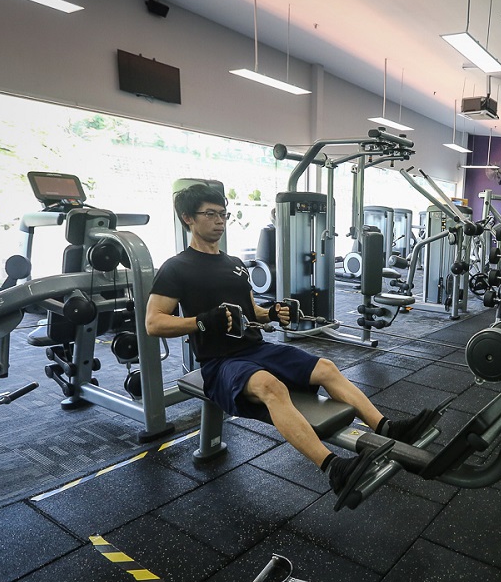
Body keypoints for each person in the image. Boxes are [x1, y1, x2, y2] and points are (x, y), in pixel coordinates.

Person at [146, 183, 434, 506]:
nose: (219, 221)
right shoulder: (176, 267)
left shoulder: (234, 264)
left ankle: (388, 427)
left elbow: (250, 310)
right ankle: (334, 467)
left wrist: (271, 313)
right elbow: (154, 322)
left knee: (325, 367)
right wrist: (200, 321)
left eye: (223, 214)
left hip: (257, 349)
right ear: (188, 218)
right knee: (271, 387)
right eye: (210, 214)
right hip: (220, 362)